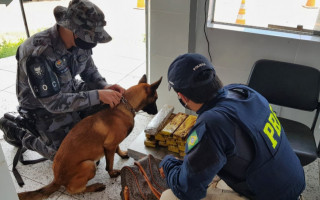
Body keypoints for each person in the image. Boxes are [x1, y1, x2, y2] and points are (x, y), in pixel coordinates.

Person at [159, 53, 305, 200]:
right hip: (292, 181)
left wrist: (168, 163)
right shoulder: (243, 91)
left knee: (168, 197)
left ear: (182, 97)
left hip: (272, 196)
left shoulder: (211, 124)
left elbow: (187, 190)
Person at [0, 0, 125, 161]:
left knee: (112, 106)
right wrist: (98, 95)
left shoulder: (82, 42)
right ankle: (18, 130)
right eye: (90, 35)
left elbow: (89, 71)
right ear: (70, 27)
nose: (92, 40)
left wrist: (105, 86)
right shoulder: (37, 52)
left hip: (70, 90)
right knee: (70, 158)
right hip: (41, 108)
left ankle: (76, 119)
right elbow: (53, 103)